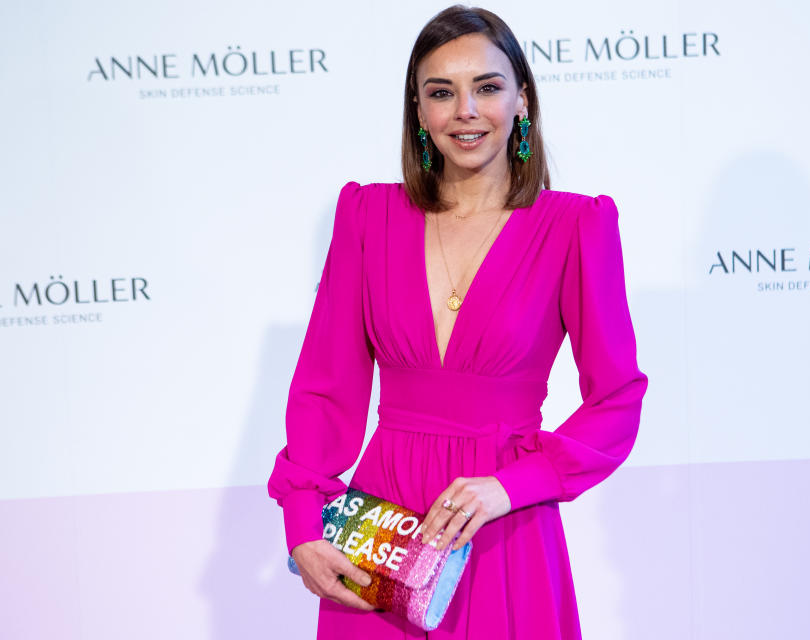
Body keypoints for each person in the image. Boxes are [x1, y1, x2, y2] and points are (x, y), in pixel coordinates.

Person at [267, 5, 648, 638]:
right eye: (441, 92)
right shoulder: (367, 216)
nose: (465, 110)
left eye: (487, 88)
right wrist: (304, 521)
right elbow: (325, 385)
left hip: (504, 527)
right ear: (419, 111)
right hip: (381, 531)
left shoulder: (576, 227)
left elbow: (617, 398)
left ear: (521, 100)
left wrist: (515, 484)